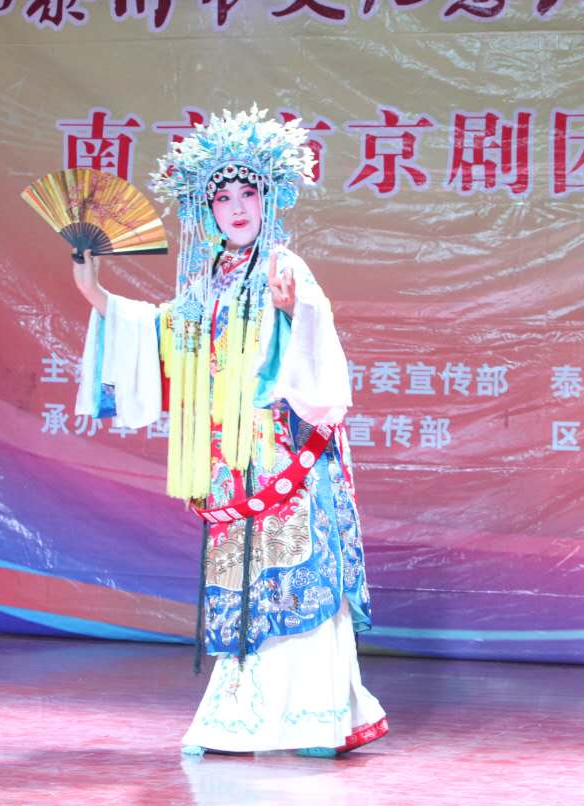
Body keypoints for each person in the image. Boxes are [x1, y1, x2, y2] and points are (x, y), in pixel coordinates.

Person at [70, 108, 387, 758]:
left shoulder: (284, 264)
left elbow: (316, 332)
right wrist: (94, 291)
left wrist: (293, 308)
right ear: (206, 209)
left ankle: (316, 719)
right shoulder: (207, 278)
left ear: (270, 198)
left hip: (285, 452)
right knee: (241, 584)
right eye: (223, 197)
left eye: (249, 193)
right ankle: (238, 717)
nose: (237, 208)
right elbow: (164, 333)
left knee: (292, 575)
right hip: (231, 458)